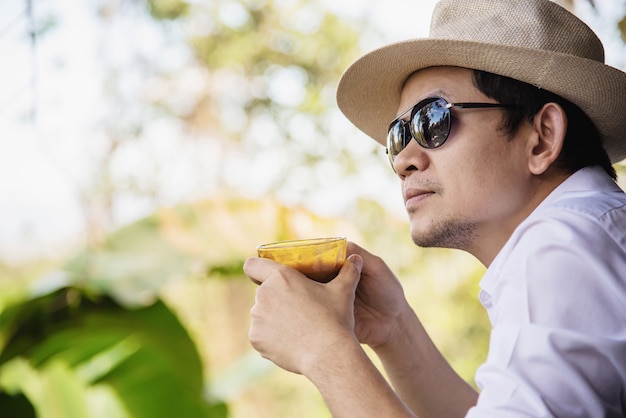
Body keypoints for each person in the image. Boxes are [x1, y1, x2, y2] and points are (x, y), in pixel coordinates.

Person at [243, 0, 626, 416]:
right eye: (398, 134)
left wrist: (323, 350)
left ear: (542, 137)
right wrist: (393, 329)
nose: (404, 159)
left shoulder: (562, 245)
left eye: (433, 120)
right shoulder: (585, 236)